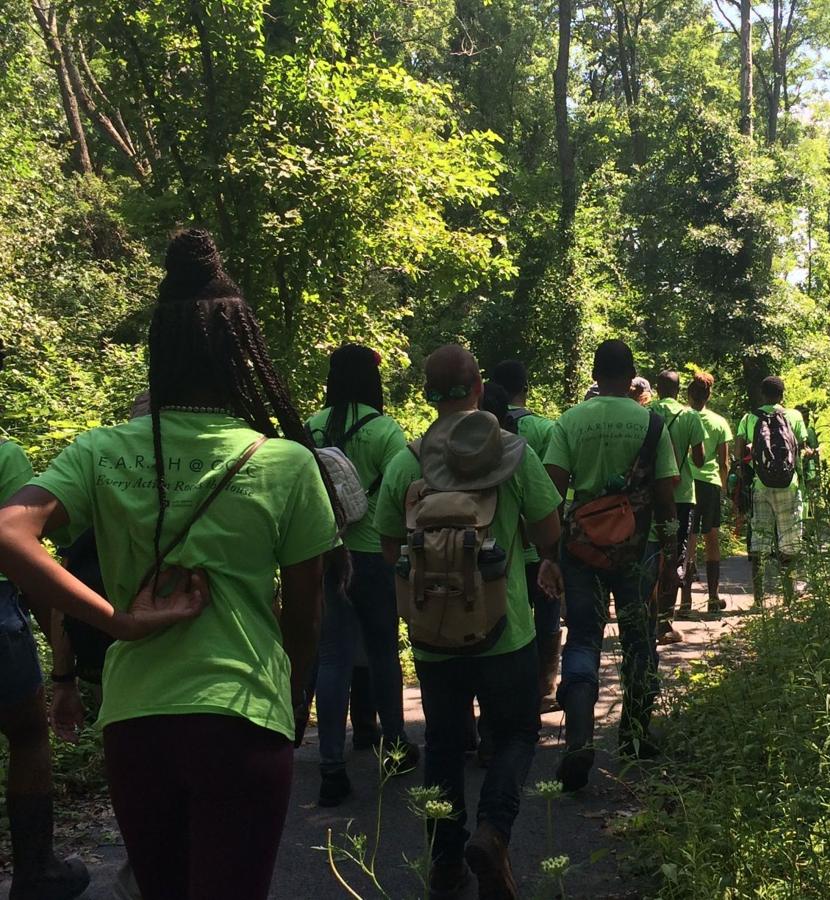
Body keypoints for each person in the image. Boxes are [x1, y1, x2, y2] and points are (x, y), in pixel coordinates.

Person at [0, 228, 339, 900]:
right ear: (240, 355)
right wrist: (294, 707)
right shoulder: (285, 463)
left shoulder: (101, 451)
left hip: (136, 722)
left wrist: (117, 623)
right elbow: (303, 620)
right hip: (243, 717)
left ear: (162, 350)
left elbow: (12, 530)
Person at [378, 345, 563, 900]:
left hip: (435, 637)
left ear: (428, 394)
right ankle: (494, 831)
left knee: (442, 742)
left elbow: (390, 547)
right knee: (517, 732)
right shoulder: (512, 453)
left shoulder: (408, 461)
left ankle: (445, 863)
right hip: (506, 631)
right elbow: (549, 532)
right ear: (480, 386)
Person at [543, 340, 678, 792]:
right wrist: (671, 548)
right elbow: (666, 490)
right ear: (631, 374)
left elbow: (552, 489)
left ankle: (579, 738)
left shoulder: (570, 420)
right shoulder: (651, 422)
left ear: (595, 374)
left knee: (583, 636)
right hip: (637, 547)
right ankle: (636, 737)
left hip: (581, 549)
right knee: (639, 638)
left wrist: (549, 553)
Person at [307, 344, 417, 807]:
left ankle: (331, 762)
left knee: (332, 656)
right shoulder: (384, 430)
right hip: (375, 553)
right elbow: (403, 491)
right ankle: (394, 746)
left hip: (327, 553)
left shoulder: (311, 427)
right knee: (382, 650)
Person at [0, 435, 90, 900]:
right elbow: (23, 556)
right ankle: (35, 871)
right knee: (29, 734)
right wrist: (64, 667)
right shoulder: (4, 453)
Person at [491, 360, 561, 711]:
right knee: (547, 613)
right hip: (540, 548)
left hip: (499, 550)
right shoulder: (545, 429)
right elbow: (551, 491)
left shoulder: (477, 432)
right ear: (526, 387)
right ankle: (545, 686)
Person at [734, 376, 808, 608]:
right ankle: (788, 598)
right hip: (790, 485)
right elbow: (802, 452)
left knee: (759, 542)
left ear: (762, 394)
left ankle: (758, 600)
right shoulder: (794, 416)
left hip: (760, 485)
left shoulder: (749, 418)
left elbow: (738, 454)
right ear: (782, 394)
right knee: (789, 541)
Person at [647, 371, 705, 642]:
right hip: (681, 496)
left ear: (657, 388)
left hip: (651, 496)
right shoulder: (690, 417)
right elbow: (700, 459)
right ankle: (664, 622)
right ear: (680, 389)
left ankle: (648, 614)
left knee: (651, 552)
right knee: (674, 556)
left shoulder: (646, 413)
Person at [687, 372, 733, 615]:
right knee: (711, 538)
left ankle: (684, 602)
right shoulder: (719, 422)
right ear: (709, 395)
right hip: (711, 484)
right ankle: (713, 597)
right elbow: (724, 463)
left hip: (687, 484)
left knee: (689, 539)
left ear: (688, 393)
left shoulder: (683, 417)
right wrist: (724, 489)